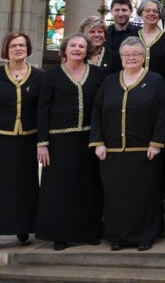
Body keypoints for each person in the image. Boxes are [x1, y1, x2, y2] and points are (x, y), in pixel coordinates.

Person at [89, 37, 165, 251]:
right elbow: (96, 111)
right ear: (121, 57)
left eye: (136, 54)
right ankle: (118, 236)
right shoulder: (110, 81)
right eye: (127, 54)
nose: (131, 58)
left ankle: (145, 235)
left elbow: (163, 113)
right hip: (112, 151)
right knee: (116, 194)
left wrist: (156, 143)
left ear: (143, 57)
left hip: (144, 150)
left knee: (143, 194)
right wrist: (98, 142)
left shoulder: (155, 80)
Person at [0, 32, 44, 253]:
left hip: (28, 139)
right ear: (7, 49)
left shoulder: (39, 76)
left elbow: (42, 111)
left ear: (28, 48)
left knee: (25, 185)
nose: (18, 49)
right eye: (14, 45)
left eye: (22, 45)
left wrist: (42, 141)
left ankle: (23, 229)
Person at [36, 33, 105, 250]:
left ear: (88, 51)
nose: (77, 49)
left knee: (89, 187)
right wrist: (42, 143)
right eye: (73, 46)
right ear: (65, 49)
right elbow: (42, 110)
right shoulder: (51, 76)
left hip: (89, 139)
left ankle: (89, 232)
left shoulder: (98, 74)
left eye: (81, 46)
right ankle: (60, 234)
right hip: (59, 141)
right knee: (60, 188)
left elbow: (103, 108)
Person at [135, 0, 165, 86]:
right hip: (133, 87)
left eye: (155, 11)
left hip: (159, 89)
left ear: (160, 15)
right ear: (141, 13)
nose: (152, 13)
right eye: (148, 11)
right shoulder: (132, 37)